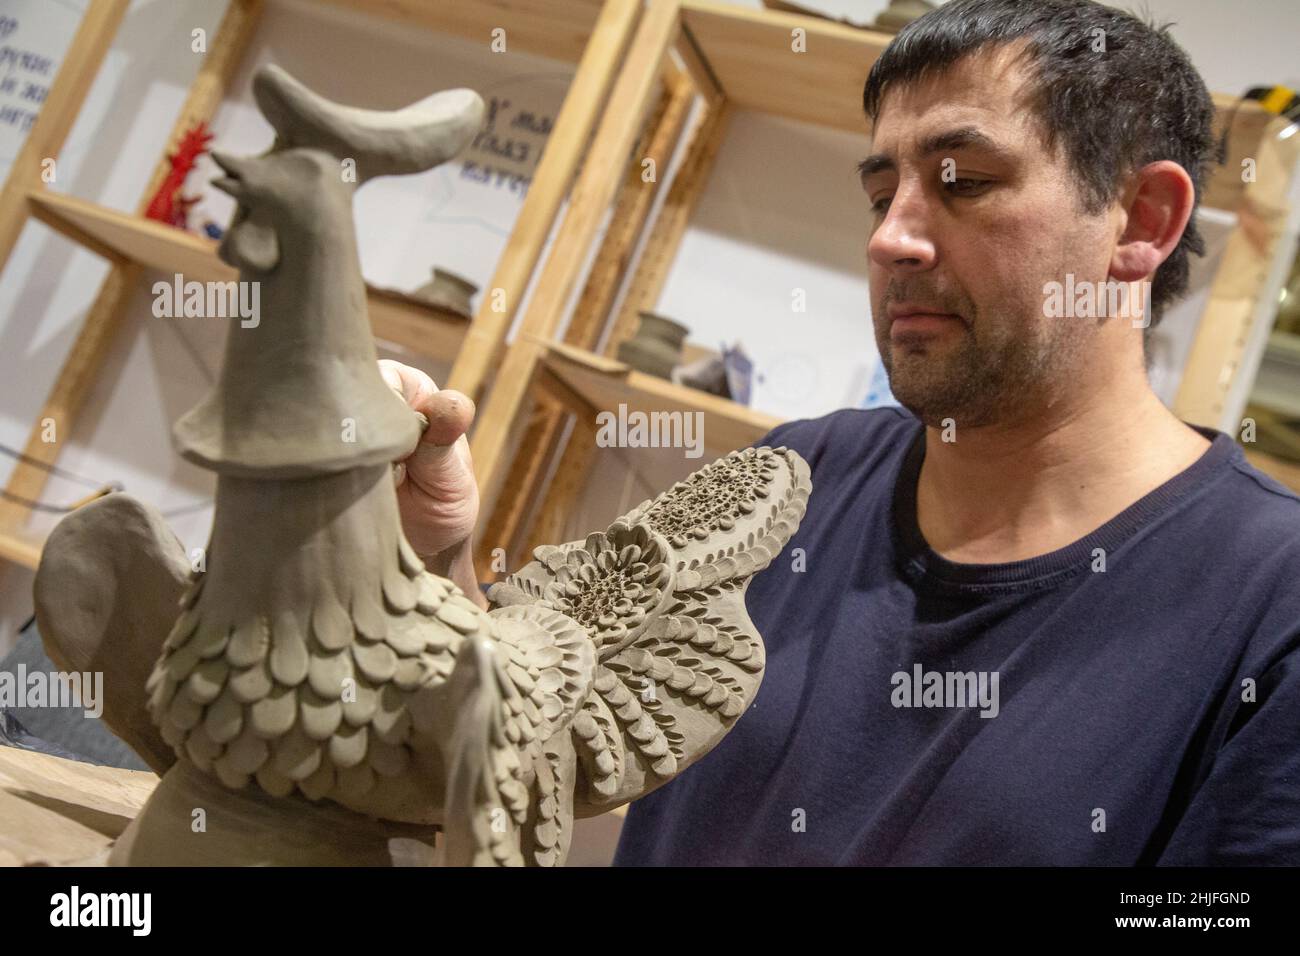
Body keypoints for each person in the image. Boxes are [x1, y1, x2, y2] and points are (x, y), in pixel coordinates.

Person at [385, 0, 1300, 864]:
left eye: (965, 183)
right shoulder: (792, 475)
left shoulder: (1271, 603)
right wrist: (437, 561)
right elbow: (520, 724)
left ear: (1140, 222)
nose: (890, 239)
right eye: (879, 192)